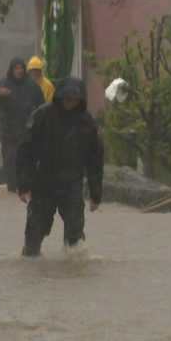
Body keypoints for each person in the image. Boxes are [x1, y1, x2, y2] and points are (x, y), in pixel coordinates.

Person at [18, 77, 104, 257]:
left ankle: (71, 270)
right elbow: (25, 151)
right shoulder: (42, 116)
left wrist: (95, 195)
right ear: (59, 97)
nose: (69, 103)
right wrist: (24, 185)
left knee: (75, 239)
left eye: (74, 100)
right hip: (44, 183)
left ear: (81, 100)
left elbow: (95, 161)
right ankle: (31, 263)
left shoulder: (87, 123)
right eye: (66, 98)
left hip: (72, 184)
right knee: (34, 234)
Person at [0, 57, 45, 193]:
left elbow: (42, 104)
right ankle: (13, 184)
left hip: (26, 129)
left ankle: (25, 183)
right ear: (11, 70)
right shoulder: (4, 83)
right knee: (10, 157)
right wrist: (0, 95)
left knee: (25, 157)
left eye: (21, 68)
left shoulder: (31, 85)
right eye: (16, 68)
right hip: (8, 129)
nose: (19, 71)